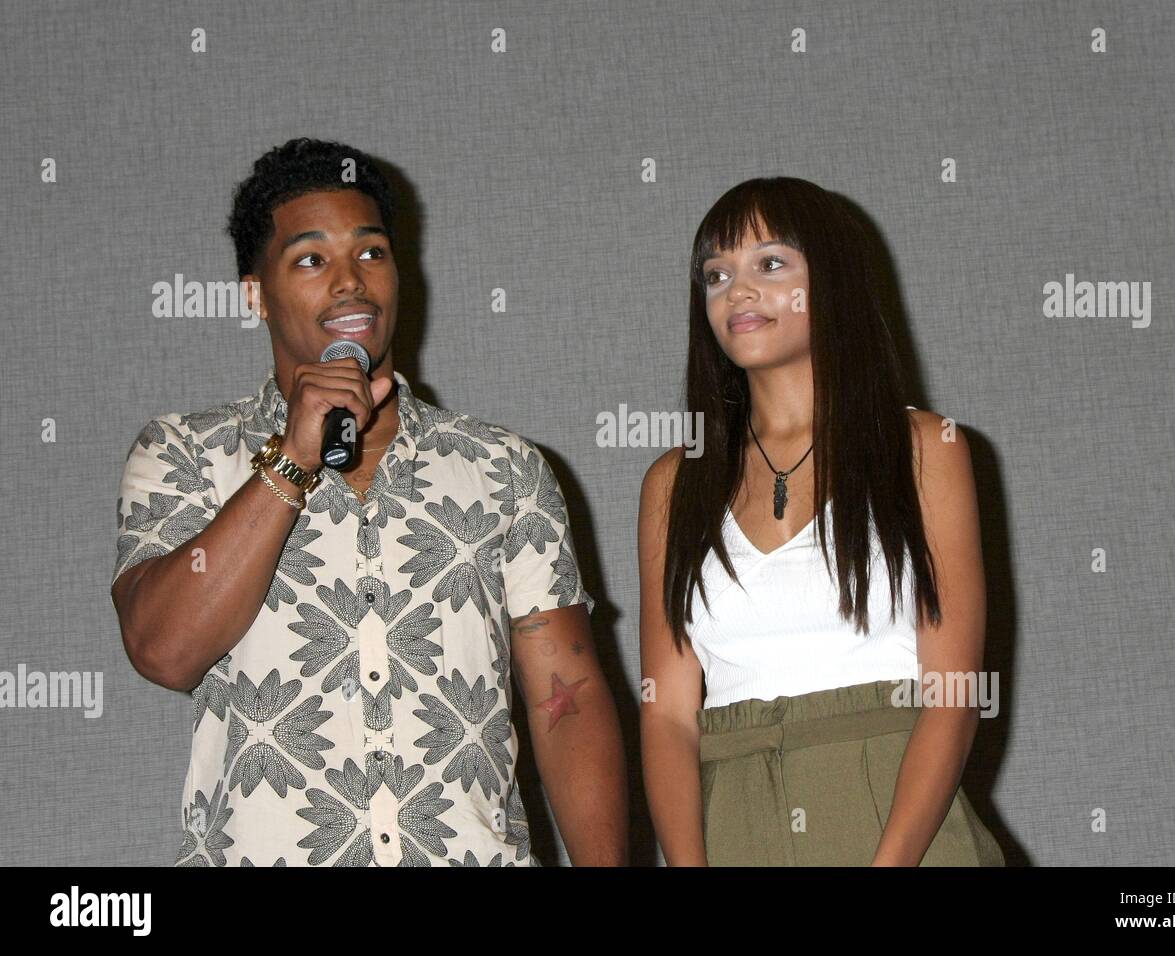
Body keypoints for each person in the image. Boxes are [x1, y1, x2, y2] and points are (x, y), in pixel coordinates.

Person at [110, 138, 627, 866]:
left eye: (372, 253)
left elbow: (564, 695)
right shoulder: (186, 454)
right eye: (312, 260)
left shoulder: (504, 469)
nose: (351, 283)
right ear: (254, 290)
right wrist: (290, 461)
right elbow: (163, 649)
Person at [638, 176, 1006, 866]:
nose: (736, 291)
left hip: (898, 818)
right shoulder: (672, 483)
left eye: (769, 264)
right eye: (716, 275)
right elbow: (666, 713)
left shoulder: (926, 449)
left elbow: (952, 692)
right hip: (732, 815)